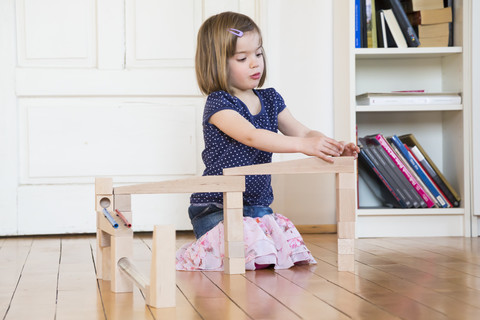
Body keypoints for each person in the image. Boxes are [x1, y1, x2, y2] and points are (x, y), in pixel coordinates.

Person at [176, 11, 359, 271]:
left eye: (258, 54)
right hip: (217, 207)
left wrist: (331, 145)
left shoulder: (271, 99)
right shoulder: (219, 103)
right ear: (217, 63)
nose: (255, 64)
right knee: (250, 252)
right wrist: (304, 147)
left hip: (257, 205)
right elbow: (251, 135)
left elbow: (303, 133)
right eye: (242, 58)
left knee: (278, 251)